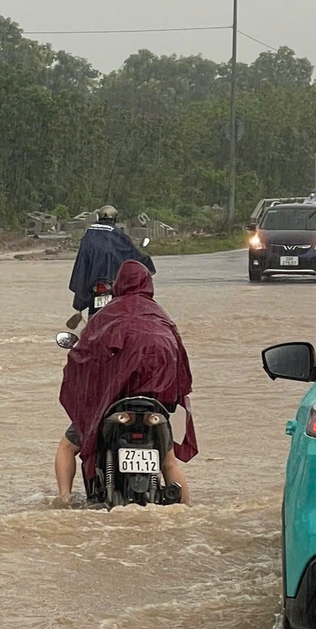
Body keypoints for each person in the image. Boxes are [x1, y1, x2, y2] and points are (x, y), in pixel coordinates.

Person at [56, 259, 198, 506]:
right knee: (168, 462)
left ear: (119, 284)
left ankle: (64, 499)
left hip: (113, 404)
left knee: (67, 447)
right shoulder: (161, 317)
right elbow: (182, 367)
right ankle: (188, 513)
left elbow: (83, 357)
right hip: (157, 406)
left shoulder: (108, 314)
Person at [68, 205, 155, 317]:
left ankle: (80, 310)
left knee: (83, 281)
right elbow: (130, 252)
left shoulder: (89, 233)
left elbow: (83, 260)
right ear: (114, 219)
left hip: (92, 281)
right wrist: (145, 261)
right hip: (111, 281)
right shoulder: (117, 234)